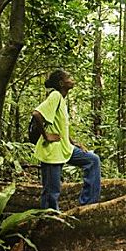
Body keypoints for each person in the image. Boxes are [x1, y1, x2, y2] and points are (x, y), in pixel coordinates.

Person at [32, 69, 101, 210]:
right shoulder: (55, 96)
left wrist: (72, 141)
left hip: (64, 148)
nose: (72, 79)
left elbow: (59, 125)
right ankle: (49, 219)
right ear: (61, 83)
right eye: (68, 77)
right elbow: (37, 114)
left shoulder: (61, 100)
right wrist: (46, 136)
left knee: (93, 160)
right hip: (52, 152)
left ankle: (88, 205)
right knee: (52, 192)